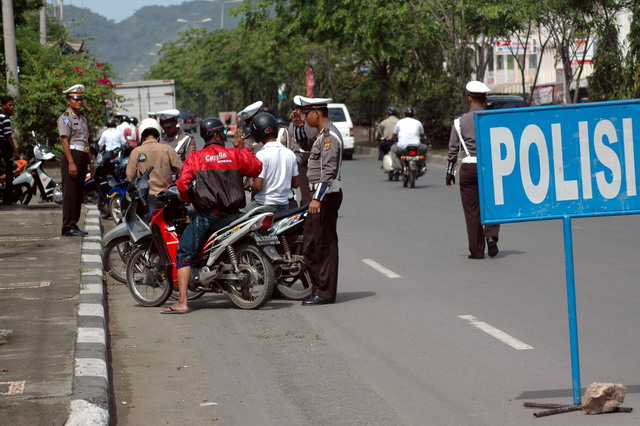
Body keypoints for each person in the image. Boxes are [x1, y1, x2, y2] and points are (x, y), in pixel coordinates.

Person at [161, 117, 262, 314]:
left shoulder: (196, 157)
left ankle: (182, 301)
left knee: (184, 252)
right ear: (217, 135)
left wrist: (187, 198)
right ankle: (246, 291)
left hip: (208, 215)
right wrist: (243, 149)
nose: (224, 137)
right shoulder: (234, 154)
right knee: (239, 245)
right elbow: (257, 168)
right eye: (223, 133)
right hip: (234, 214)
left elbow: (182, 184)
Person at [298, 96, 344, 306]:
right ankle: (319, 288)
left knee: (324, 245)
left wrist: (316, 199)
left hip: (325, 196)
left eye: (306, 113)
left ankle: (325, 293)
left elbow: (328, 172)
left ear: (316, 113)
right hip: (319, 196)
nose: (305, 117)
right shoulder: (321, 135)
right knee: (310, 245)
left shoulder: (329, 137)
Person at [446, 80, 500, 259]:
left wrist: (450, 173)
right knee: (492, 203)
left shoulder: (459, 122)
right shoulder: (491, 119)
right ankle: (491, 236)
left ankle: (477, 250)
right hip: (489, 167)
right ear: (484, 99)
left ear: (469, 99)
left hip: (468, 167)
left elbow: (453, 150)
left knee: (472, 210)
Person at [241, 113, 299, 213]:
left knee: (235, 220)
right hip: (284, 205)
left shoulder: (261, 154)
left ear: (257, 133)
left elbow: (258, 186)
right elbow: (295, 183)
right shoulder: (290, 154)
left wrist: (251, 183)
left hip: (263, 204)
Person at [58, 84, 94, 237]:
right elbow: (65, 141)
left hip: (82, 156)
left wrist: (91, 162)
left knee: (78, 192)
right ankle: (67, 226)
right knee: (70, 192)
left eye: (81, 98)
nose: (79, 101)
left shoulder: (83, 119)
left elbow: (86, 142)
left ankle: (74, 223)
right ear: (68, 101)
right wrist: (71, 163)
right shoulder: (66, 118)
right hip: (71, 155)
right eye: (75, 99)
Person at [125, 118, 182, 210]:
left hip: (145, 199)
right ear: (158, 135)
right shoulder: (167, 149)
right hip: (167, 196)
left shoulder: (136, 152)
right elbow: (180, 169)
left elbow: (130, 177)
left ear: (142, 136)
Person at [286, 95, 319, 206]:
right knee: (310, 185)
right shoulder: (310, 122)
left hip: (302, 155)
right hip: (309, 155)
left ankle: (306, 204)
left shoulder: (296, 123)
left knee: (304, 185)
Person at [389, 106, 427, 173]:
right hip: (416, 146)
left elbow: (393, 136)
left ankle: (398, 168)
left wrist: (390, 138)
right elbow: (423, 136)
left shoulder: (400, 122)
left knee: (393, 149)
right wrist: (423, 139)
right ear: (413, 114)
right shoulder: (418, 123)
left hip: (402, 146)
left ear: (404, 114)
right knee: (424, 148)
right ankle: (421, 166)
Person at [0, 96, 20, 205]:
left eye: (12, 105)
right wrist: (15, 150)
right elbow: (8, 136)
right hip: (4, 145)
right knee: (9, 172)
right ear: (4, 105)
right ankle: (8, 198)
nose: (12, 107)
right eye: (10, 105)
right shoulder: (6, 118)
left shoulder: (1, 114)